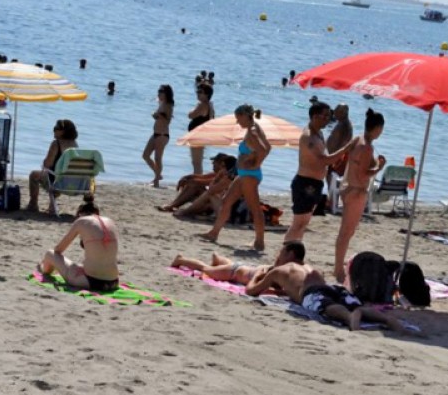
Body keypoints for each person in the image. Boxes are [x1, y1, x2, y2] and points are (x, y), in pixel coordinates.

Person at [243, 245, 407, 333]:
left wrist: (257, 275)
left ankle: (349, 317)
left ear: (290, 254)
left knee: (327, 307)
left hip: (313, 293)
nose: (277, 258)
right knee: (349, 303)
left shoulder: (278, 270)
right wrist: (278, 292)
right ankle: (385, 319)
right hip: (332, 288)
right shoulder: (310, 267)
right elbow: (295, 289)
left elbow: (251, 291)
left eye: (280, 254)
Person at [201, 104, 271, 250]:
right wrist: (252, 159)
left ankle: (259, 242)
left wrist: (255, 163)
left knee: (255, 208)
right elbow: (268, 147)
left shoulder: (252, 131)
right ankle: (214, 233)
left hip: (249, 176)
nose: (237, 122)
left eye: (238, 118)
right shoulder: (254, 128)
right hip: (244, 174)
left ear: (245, 116)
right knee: (226, 201)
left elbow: (264, 150)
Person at [283, 101, 355, 243]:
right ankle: (286, 250)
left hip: (315, 183)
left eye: (329, 116)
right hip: (305, 183)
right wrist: (345, 149)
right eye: (325, 116)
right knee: (298, 223)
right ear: (315, 116)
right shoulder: (309, 137)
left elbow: (325, 156)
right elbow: (323, 160)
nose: (328, 119)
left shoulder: (319, 133)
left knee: (304, 223)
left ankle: (294, 248)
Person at [334, 109, 386, 283]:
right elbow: (364, 174)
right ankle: (338, 268)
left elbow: (344, 153)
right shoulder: (367, 147)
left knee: (346, 231)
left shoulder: (358, 139)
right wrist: (379, 167)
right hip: (357, 190)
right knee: (346, 232)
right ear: (377, 128)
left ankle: (338, 265)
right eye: (380, 129)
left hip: (348, 187)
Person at [39, 195, 119, 292]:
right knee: (81, 265)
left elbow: (58, 250)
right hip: (114, 281)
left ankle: (44, 270)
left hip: (91, 281)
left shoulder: (81, 221)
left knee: (50, 254)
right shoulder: (110, 221)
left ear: (80, 213)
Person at [170, 241, 307, 285]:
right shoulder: (277, 268)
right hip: (233, 273)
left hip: (241, 268)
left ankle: (219, 260)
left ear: (290, 254)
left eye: (281, 252)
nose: (278, 255)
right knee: (205, 268)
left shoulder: (288, 268)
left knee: (232, 264)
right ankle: (180, 259)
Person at [27, 119, 79, 212]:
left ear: (63, 131)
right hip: (71, 182)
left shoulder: (56, 144)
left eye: (56, 128)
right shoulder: (75, 144)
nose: (53, 130)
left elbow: (48, 164)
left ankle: (33, 204)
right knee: (55, 173)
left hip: (57, 182)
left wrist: (44, 162)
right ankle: (52, 205)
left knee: (34, 175)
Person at [167, 154, 237, 218]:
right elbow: (201, 177)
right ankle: (173, 205)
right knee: (196, 187)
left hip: (221, 207)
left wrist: (217, 177)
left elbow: (210, 186)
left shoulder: (228, 178)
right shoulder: (222, 174)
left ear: (221, 164)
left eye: (214, 162)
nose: (212, 163)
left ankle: (181, 209)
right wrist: (186, 178)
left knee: (197, 187)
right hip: (218, 203)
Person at [143, 84, 174, 187]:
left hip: (162, 135)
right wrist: (156, 114)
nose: (159, 93)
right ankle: (158, 175)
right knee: (145, 155)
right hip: (156, 134)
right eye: (158, 91)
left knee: (158, 158)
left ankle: (156, 181)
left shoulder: (168, 105)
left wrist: (158, 115)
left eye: (161, 91)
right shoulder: (162, 103)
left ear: (167, 93)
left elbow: (167, 120)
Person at [325, 103, 354, 204]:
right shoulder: (342, 123)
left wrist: (336, 156)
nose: (334, 113)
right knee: (330, 178)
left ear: (343, 113)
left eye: (337, 111)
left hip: (336, 157)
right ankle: (332, 200)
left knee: (331, 178)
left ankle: (333, 201)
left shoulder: (345, 125)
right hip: (334, 155)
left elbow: (344, 143)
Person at [187, 82, 215, 174]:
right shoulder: (209, 105)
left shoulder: (202, 105)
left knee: (196, 163)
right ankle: (198, 179)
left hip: (197, 136)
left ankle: (197, 181)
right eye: (197, 91)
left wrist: (195, 107)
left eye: (200, 92)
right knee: (197, 162)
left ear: (206, 94)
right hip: (201, 135)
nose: (197, 93)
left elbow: (191, 115)